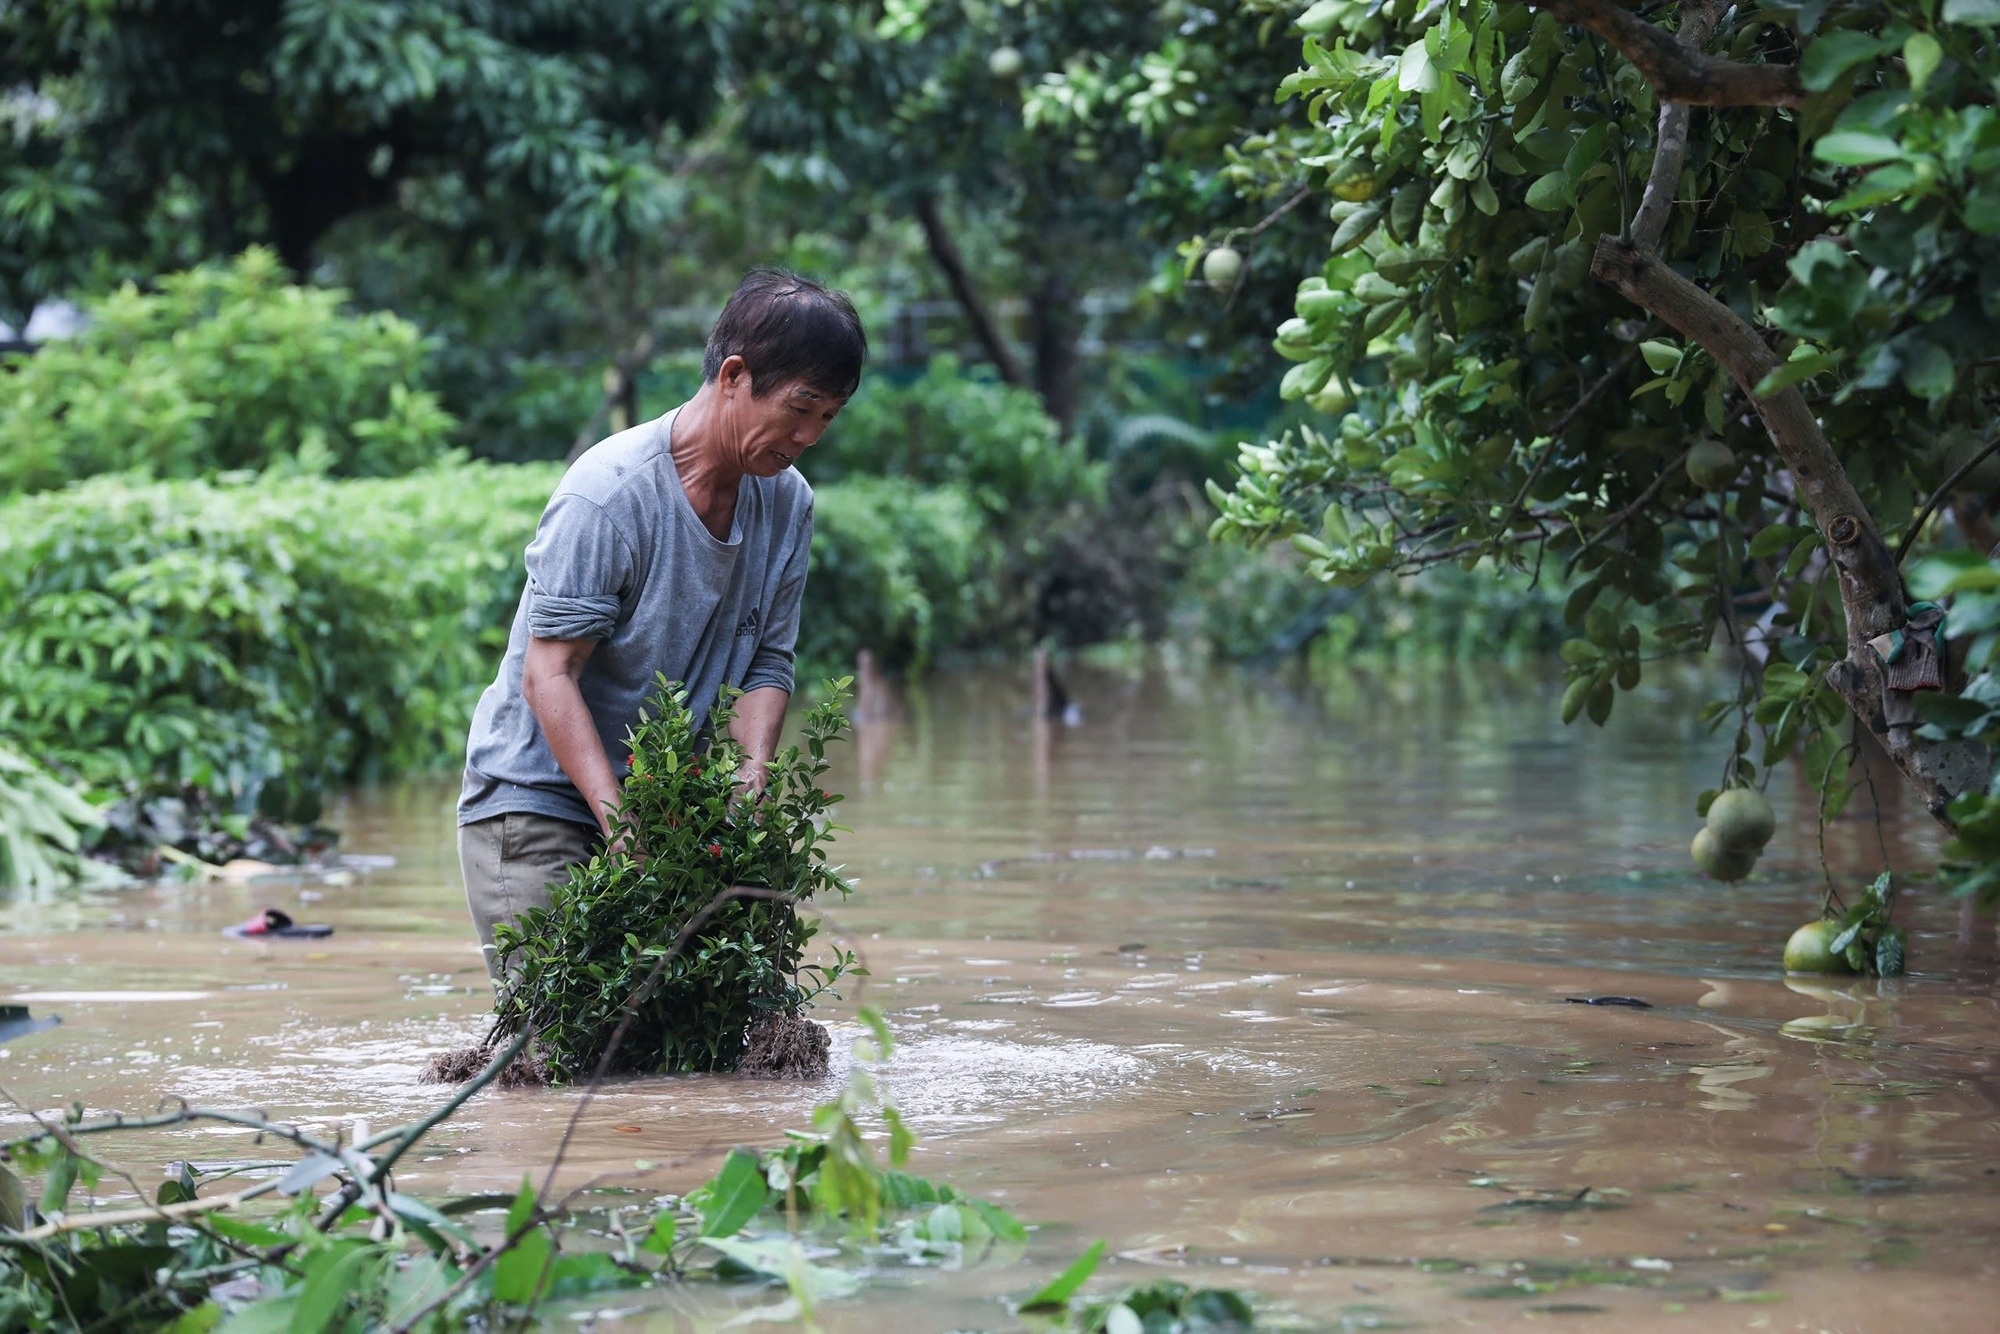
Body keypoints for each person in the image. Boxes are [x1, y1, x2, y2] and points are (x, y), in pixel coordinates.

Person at [456, 268, 865, 979]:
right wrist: (619, 827)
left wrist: (749, 786)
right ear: (734, 376)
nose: (809, 436)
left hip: (665, 806)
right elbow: (548, 671)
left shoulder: (787, 503)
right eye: (801, 407)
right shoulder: (608, 494)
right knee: (560, 1055)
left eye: (828, 417)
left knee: (696, 1067)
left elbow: (768, 659)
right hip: (538, 806)